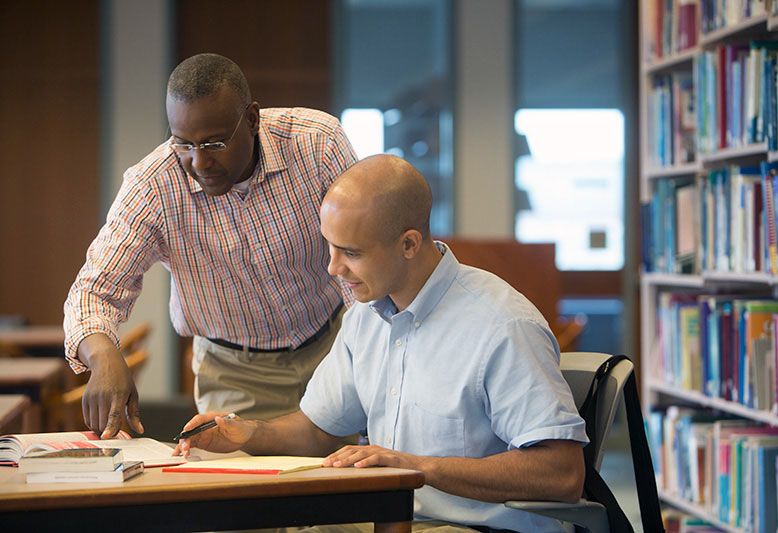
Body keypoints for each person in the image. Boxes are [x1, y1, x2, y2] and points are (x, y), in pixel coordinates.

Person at [177, 154, 588, 532]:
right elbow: (319, 432)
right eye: (330, 247)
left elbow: (562, 474)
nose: (333, 268)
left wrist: (415, 467)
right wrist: (247, 434)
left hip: (475, 527)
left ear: (409, 244)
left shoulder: (501, 324)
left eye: (351, 253)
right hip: (393, 519)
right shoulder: (366, 317)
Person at [63, 53, 358, 439]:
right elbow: (92, 291)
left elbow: (363, 251)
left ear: (251, 119)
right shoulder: (153, 186)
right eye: (183, 143)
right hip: (235, 370)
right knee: (250, 491)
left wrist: (367, 345)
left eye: (214, 143)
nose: (199, 162)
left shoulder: (315, 143)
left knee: (354, 476)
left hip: (335, 344)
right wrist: (103, 355)